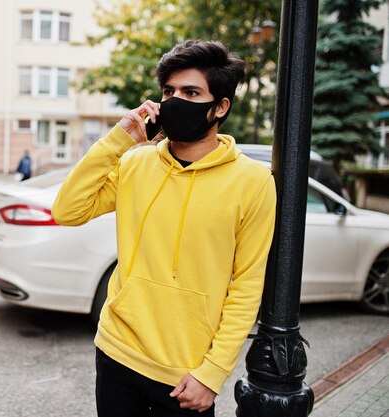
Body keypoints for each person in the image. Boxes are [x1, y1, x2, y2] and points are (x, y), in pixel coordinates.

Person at [51, 40, 276, 416]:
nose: (174, 100)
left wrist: (213, 373)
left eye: (191, 92)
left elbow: (247, 285)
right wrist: (119, 139)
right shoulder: (135, 164)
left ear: (220, 107)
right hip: (117, 351)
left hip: (186, 374)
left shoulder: (252, 181)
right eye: (168, 92)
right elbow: (67, 210)